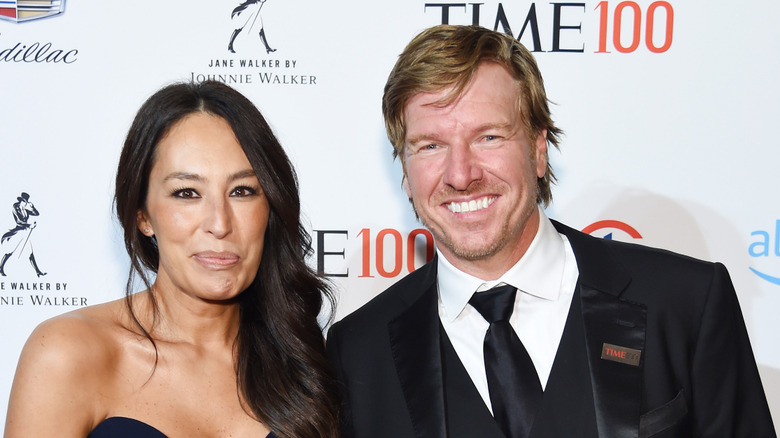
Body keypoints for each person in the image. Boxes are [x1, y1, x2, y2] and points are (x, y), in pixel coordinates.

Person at [326, 25, 775, 438]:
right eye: (431, 146)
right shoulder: (358, 353)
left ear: (538, 151)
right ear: (405, 172)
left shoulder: (685, 303)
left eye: (489, 137)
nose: (460, 175)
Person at [5, 80, 339, 438]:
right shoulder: (68, 353)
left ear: (270, 207)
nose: (219, 223)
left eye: (242, 191)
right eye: (187, 193)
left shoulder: (300, 359)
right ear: (143, 216)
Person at [0, 192, 46, 277]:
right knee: (10, 250)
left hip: (25, 231)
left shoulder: (25, 209)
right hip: (18, 232)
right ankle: (1, 268)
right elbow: (18, 221)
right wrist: (29, 225)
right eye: (25, 202)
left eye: (26, 202)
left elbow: (37, 214)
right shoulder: (15, 208)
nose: (26, 203)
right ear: (21, 201)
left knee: (30, 252)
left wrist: (32, 207)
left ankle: (37, 271)